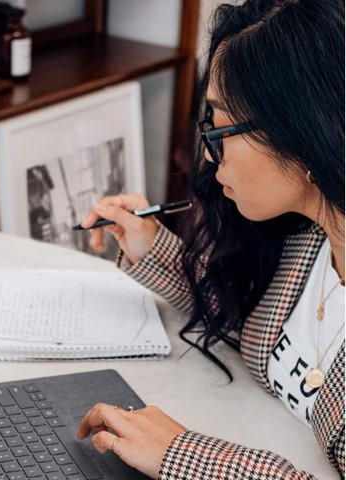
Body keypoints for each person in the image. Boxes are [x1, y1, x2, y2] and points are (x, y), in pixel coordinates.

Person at [75, 0, 345, 478]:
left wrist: (185, 456)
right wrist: (149, 245)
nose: (208, 148)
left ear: (304, 130)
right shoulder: (312, 237)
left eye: (220, 127)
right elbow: (250, 317)